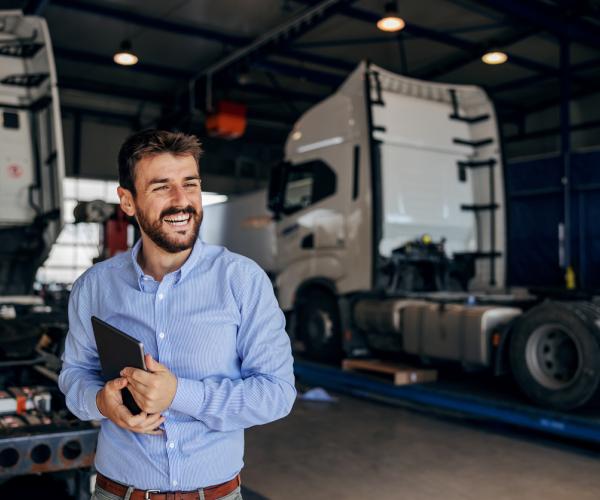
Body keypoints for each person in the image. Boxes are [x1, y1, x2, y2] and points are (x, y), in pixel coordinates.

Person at [58, 129, 296, 500]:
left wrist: (179, 394)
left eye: (190, 184)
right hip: (118, 492)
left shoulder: (242, 280)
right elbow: (74, 376)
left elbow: (277, 393)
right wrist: (101, 401)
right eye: (161, 187)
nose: (182, 201)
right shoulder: (95, 286)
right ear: (127, 201)